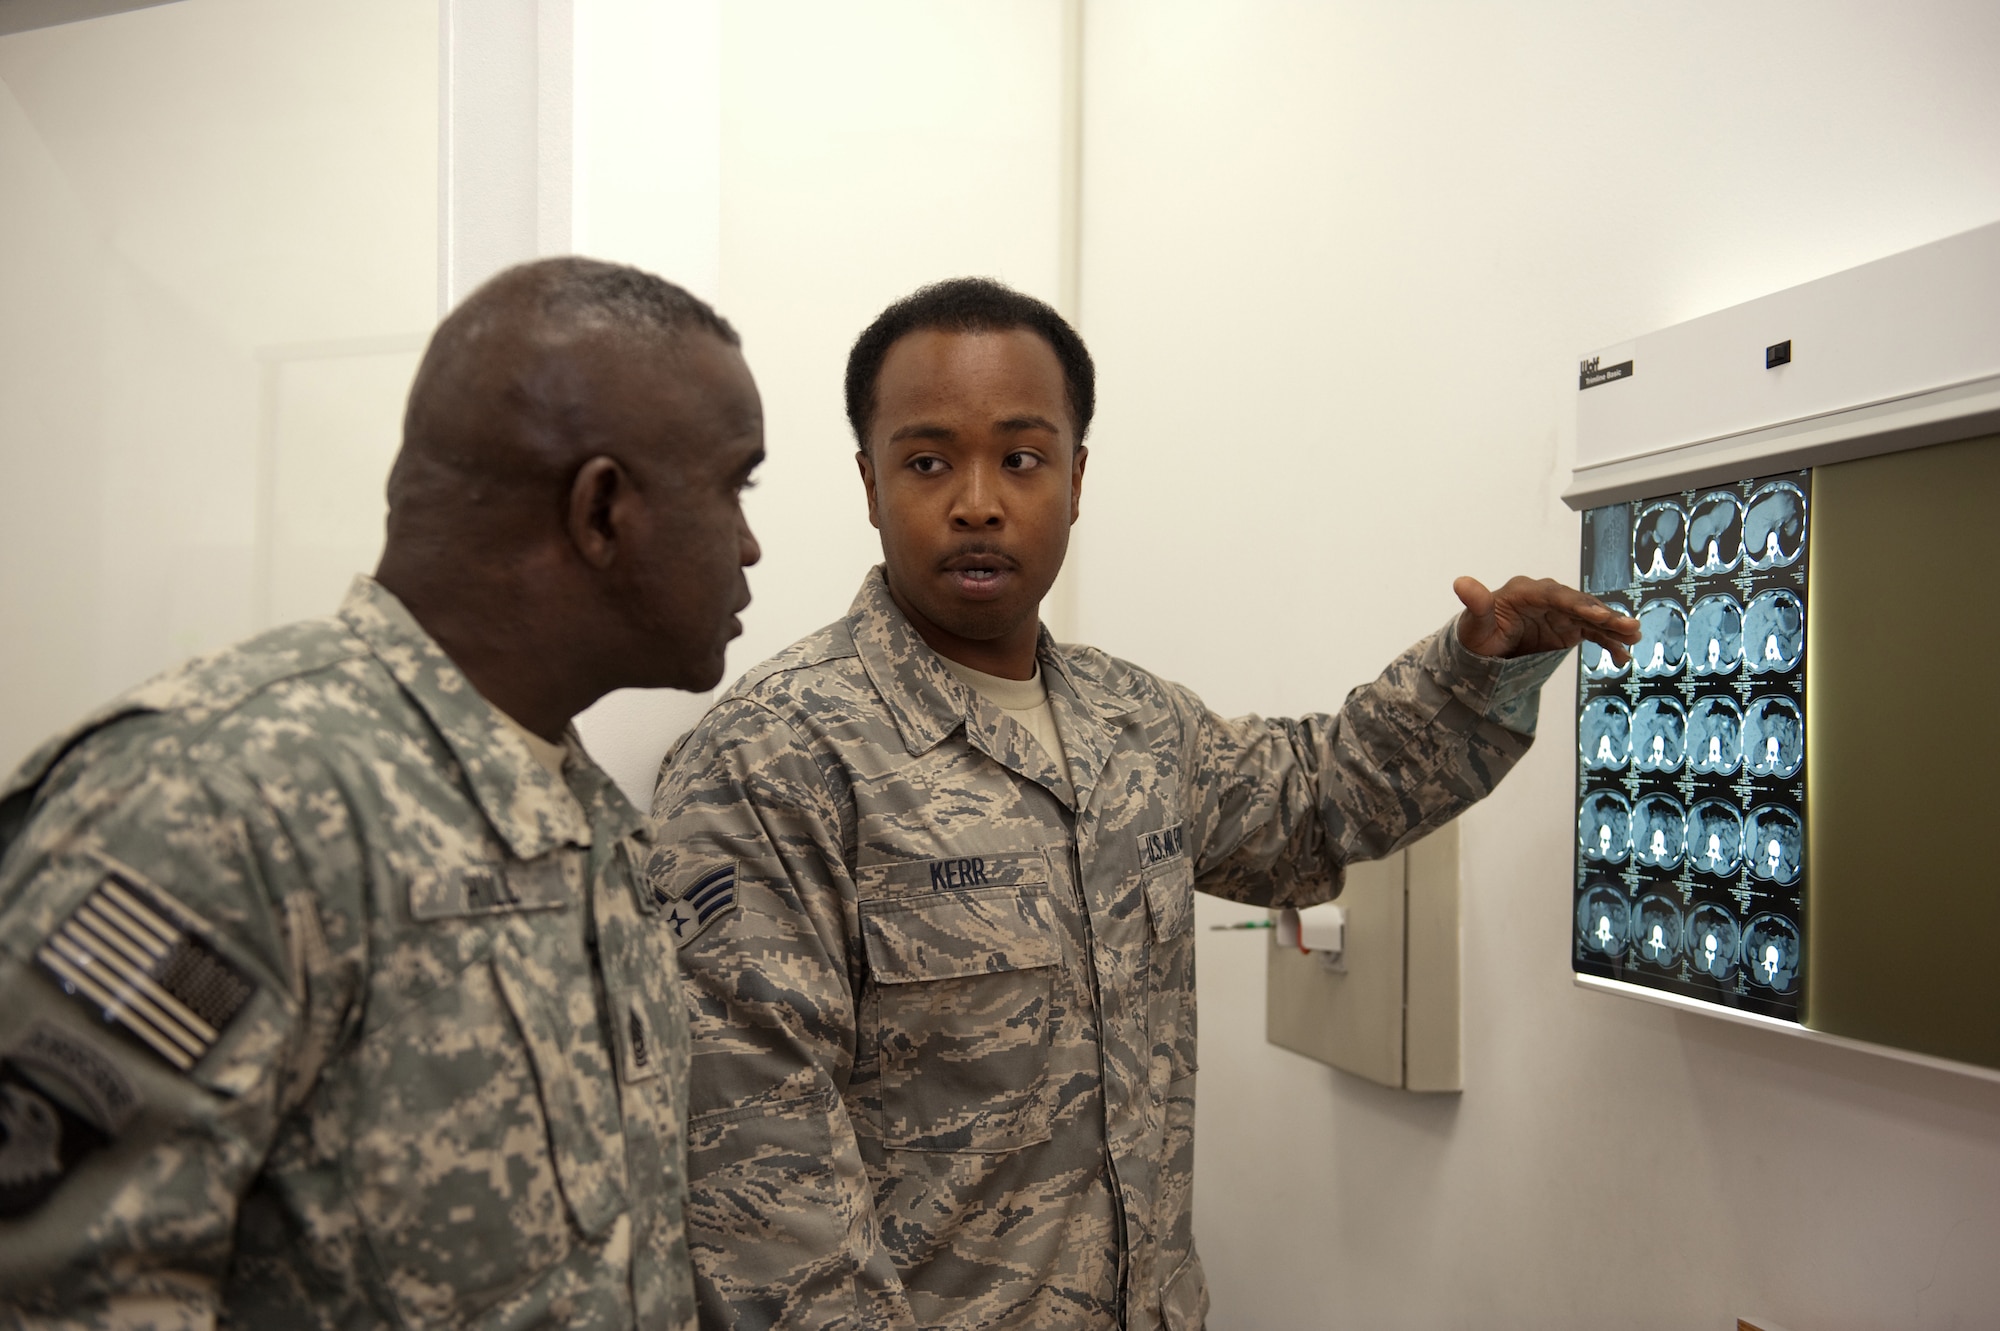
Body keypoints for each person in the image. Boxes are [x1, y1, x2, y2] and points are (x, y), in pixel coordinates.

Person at [647, 278, 1638, 1331]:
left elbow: (1311, 799)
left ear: (1075, 480)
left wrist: (1471, 672)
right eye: (928, 460)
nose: (977, 500)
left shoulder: (1133, 723)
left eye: (1021, 458)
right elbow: (754, 1189)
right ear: (868, 480)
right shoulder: (770, 760)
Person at [0, 257, 764, 1329]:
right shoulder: (218, 801)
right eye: (735, 484)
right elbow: (53, 1289)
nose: (747, 542)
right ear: (602, 511)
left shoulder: (583, 819)